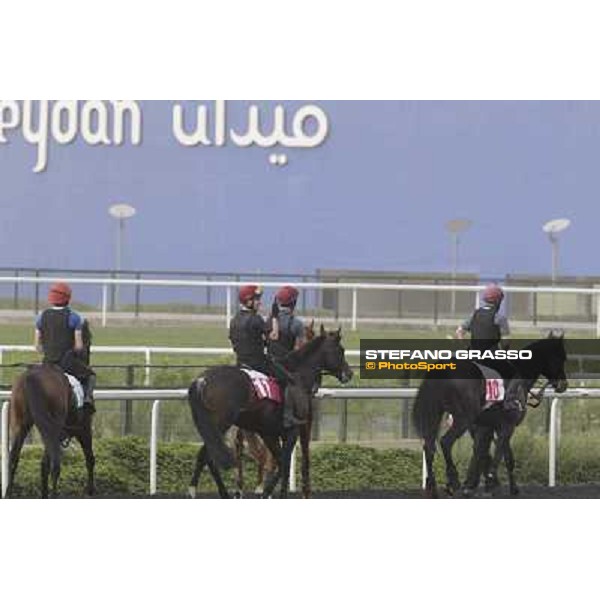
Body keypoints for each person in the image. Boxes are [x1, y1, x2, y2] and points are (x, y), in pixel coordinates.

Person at [228, 284, 304, 429]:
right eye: (257, 299)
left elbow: (237, 340)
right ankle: (288, 416)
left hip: (240, 363)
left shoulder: (234, 319)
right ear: (248, 301)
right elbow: (274, 336)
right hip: (258, 363)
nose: (259, 302)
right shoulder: (256, 319)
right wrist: (274, 316)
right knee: (289, 379)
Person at [34, 282, 96, 413]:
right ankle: (87, 400)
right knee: (90, 375)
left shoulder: (40, 317)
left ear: (51, 298)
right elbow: (79, 346)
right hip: (66, 363)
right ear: (68, 298)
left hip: (47, 363)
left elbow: (37, 346)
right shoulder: (74, 318)